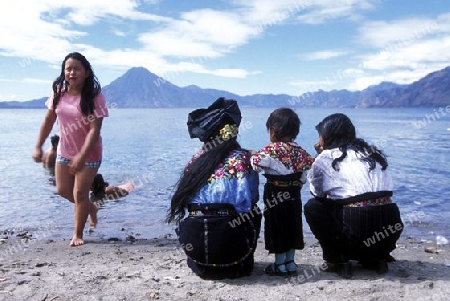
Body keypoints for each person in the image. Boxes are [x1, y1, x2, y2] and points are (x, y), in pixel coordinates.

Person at [167, 97, 261, 279]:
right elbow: (250, 200)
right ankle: (242, 258)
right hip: (233, 248)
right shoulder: (242, 159)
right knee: (255, 211)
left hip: (198, 249)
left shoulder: (196, 161)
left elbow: (186, 202)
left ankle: (206, 262)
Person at [304, 113, 403, 278]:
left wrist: (319, 157)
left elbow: (317, 193)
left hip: (357, 236)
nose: (318, 140)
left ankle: (335, 259)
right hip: (390, 231)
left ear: (327, 136)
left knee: (313, 207)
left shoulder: (326, 157)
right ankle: (376, 256)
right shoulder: (371, 153)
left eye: (320, 135)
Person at [32, 52, 109, 247]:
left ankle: (77, 234)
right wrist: (38, 146)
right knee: (63, 190)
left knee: (80, 194)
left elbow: (95, 130)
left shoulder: (95, 97)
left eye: (76, 69)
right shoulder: (59, 91)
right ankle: (91, 208)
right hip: (64, 152)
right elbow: (49, 120)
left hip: (89, 154)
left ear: (86, 72)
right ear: (63, 71)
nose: (72, 72)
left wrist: (82, 157)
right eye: (68, 68)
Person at [250, 108, 314, 276]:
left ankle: (279, 265)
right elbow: (308, 169)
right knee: (292, 226)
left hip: (274, 194)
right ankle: (290, 263)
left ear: (273, 131)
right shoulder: (301, 151)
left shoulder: (270, 150)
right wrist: (299, 183)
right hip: (294, 195)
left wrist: (251, 154)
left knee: (276, 227)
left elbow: (256, 166)